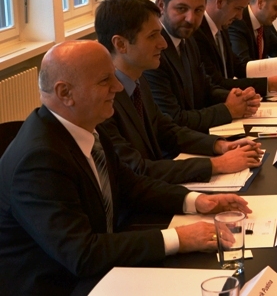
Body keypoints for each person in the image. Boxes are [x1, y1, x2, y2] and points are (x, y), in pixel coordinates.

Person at [0, 41, 251, 295]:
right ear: (65, 93)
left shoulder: (85, 127)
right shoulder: (38, 161)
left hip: (98, 271)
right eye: (105, 80)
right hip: (61, 286)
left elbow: (131, 185)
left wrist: (197, 201)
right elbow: (82, 254)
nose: (118, 87)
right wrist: (180, 238)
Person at [95, 0, 263, 185]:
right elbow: (136, 169)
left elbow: (166, 130)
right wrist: (217, 164)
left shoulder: (138, 80)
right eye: (152, 36)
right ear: (120, 44)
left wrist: (220, 145)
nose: (163, 43)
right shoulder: (102, 101)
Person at [143, 0, 260, 133]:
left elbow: (205, 88)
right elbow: (174, 119)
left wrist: (236, 97)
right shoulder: (151, 52)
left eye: (198, 10)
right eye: (182, 9)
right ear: (161, 5)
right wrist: (228, 110)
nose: (191, 19)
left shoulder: (188, 39)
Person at [194, 0, 277, 94]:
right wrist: (269, 84)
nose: (240, 16)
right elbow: (216, 83)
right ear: (220, 2)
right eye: (238, 8)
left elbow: (238, 67)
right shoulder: (197, 32)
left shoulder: (222, 27)